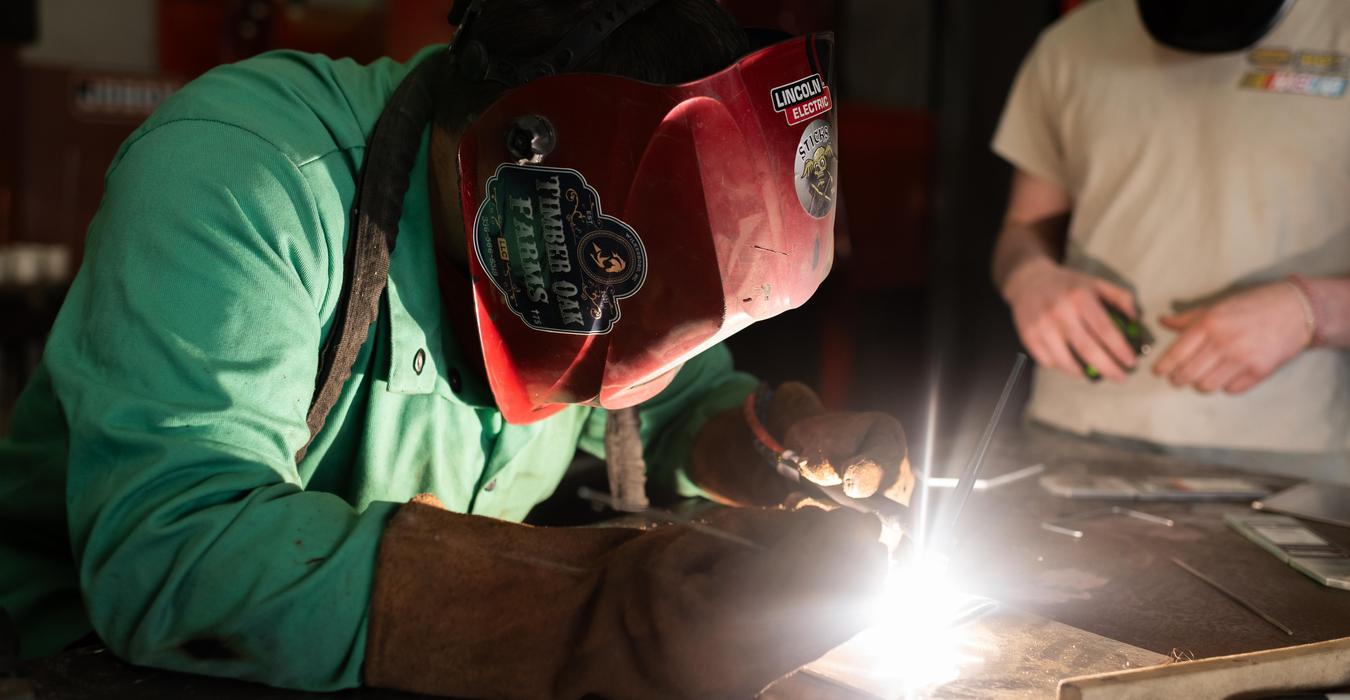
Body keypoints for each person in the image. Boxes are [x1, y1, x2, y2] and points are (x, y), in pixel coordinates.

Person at [0, 1, 914, 698]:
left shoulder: (567, 254)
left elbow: (663, 399)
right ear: (531, 178)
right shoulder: (246, 177)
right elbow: (173, 558)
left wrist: (783, 451)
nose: (649, 363)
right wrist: (613, 613)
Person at [990, 0, 1350, 481]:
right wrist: (1030, 277)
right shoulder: (1073, 43)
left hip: (1290, 458)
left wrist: (1313, 310)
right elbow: (1022, 228)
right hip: (1075, 436)